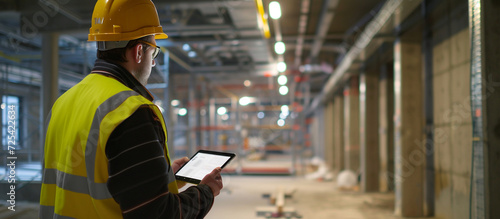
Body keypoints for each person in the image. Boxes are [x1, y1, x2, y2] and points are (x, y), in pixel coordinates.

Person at [39, 0, 223, 218]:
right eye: (153, 53)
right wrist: (207, 191)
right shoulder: (131, 111)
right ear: (138, 52)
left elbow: (96, 179)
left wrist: (163, 177)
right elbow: (160, 214)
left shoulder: (64, 102)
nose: (152, 62)